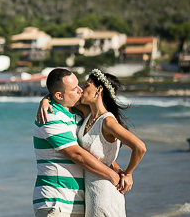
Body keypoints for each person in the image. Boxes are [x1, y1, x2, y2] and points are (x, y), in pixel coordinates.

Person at [38, 69, 147, 217]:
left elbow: (139, 147)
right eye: (78, 86)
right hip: (90, 193)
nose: (81, 89)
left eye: (86, 85)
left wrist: (128, 174)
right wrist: (45, 100)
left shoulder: (108, 121)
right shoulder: (86, 114)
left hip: (105, 189)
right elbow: (61, 96)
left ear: (99, 90)